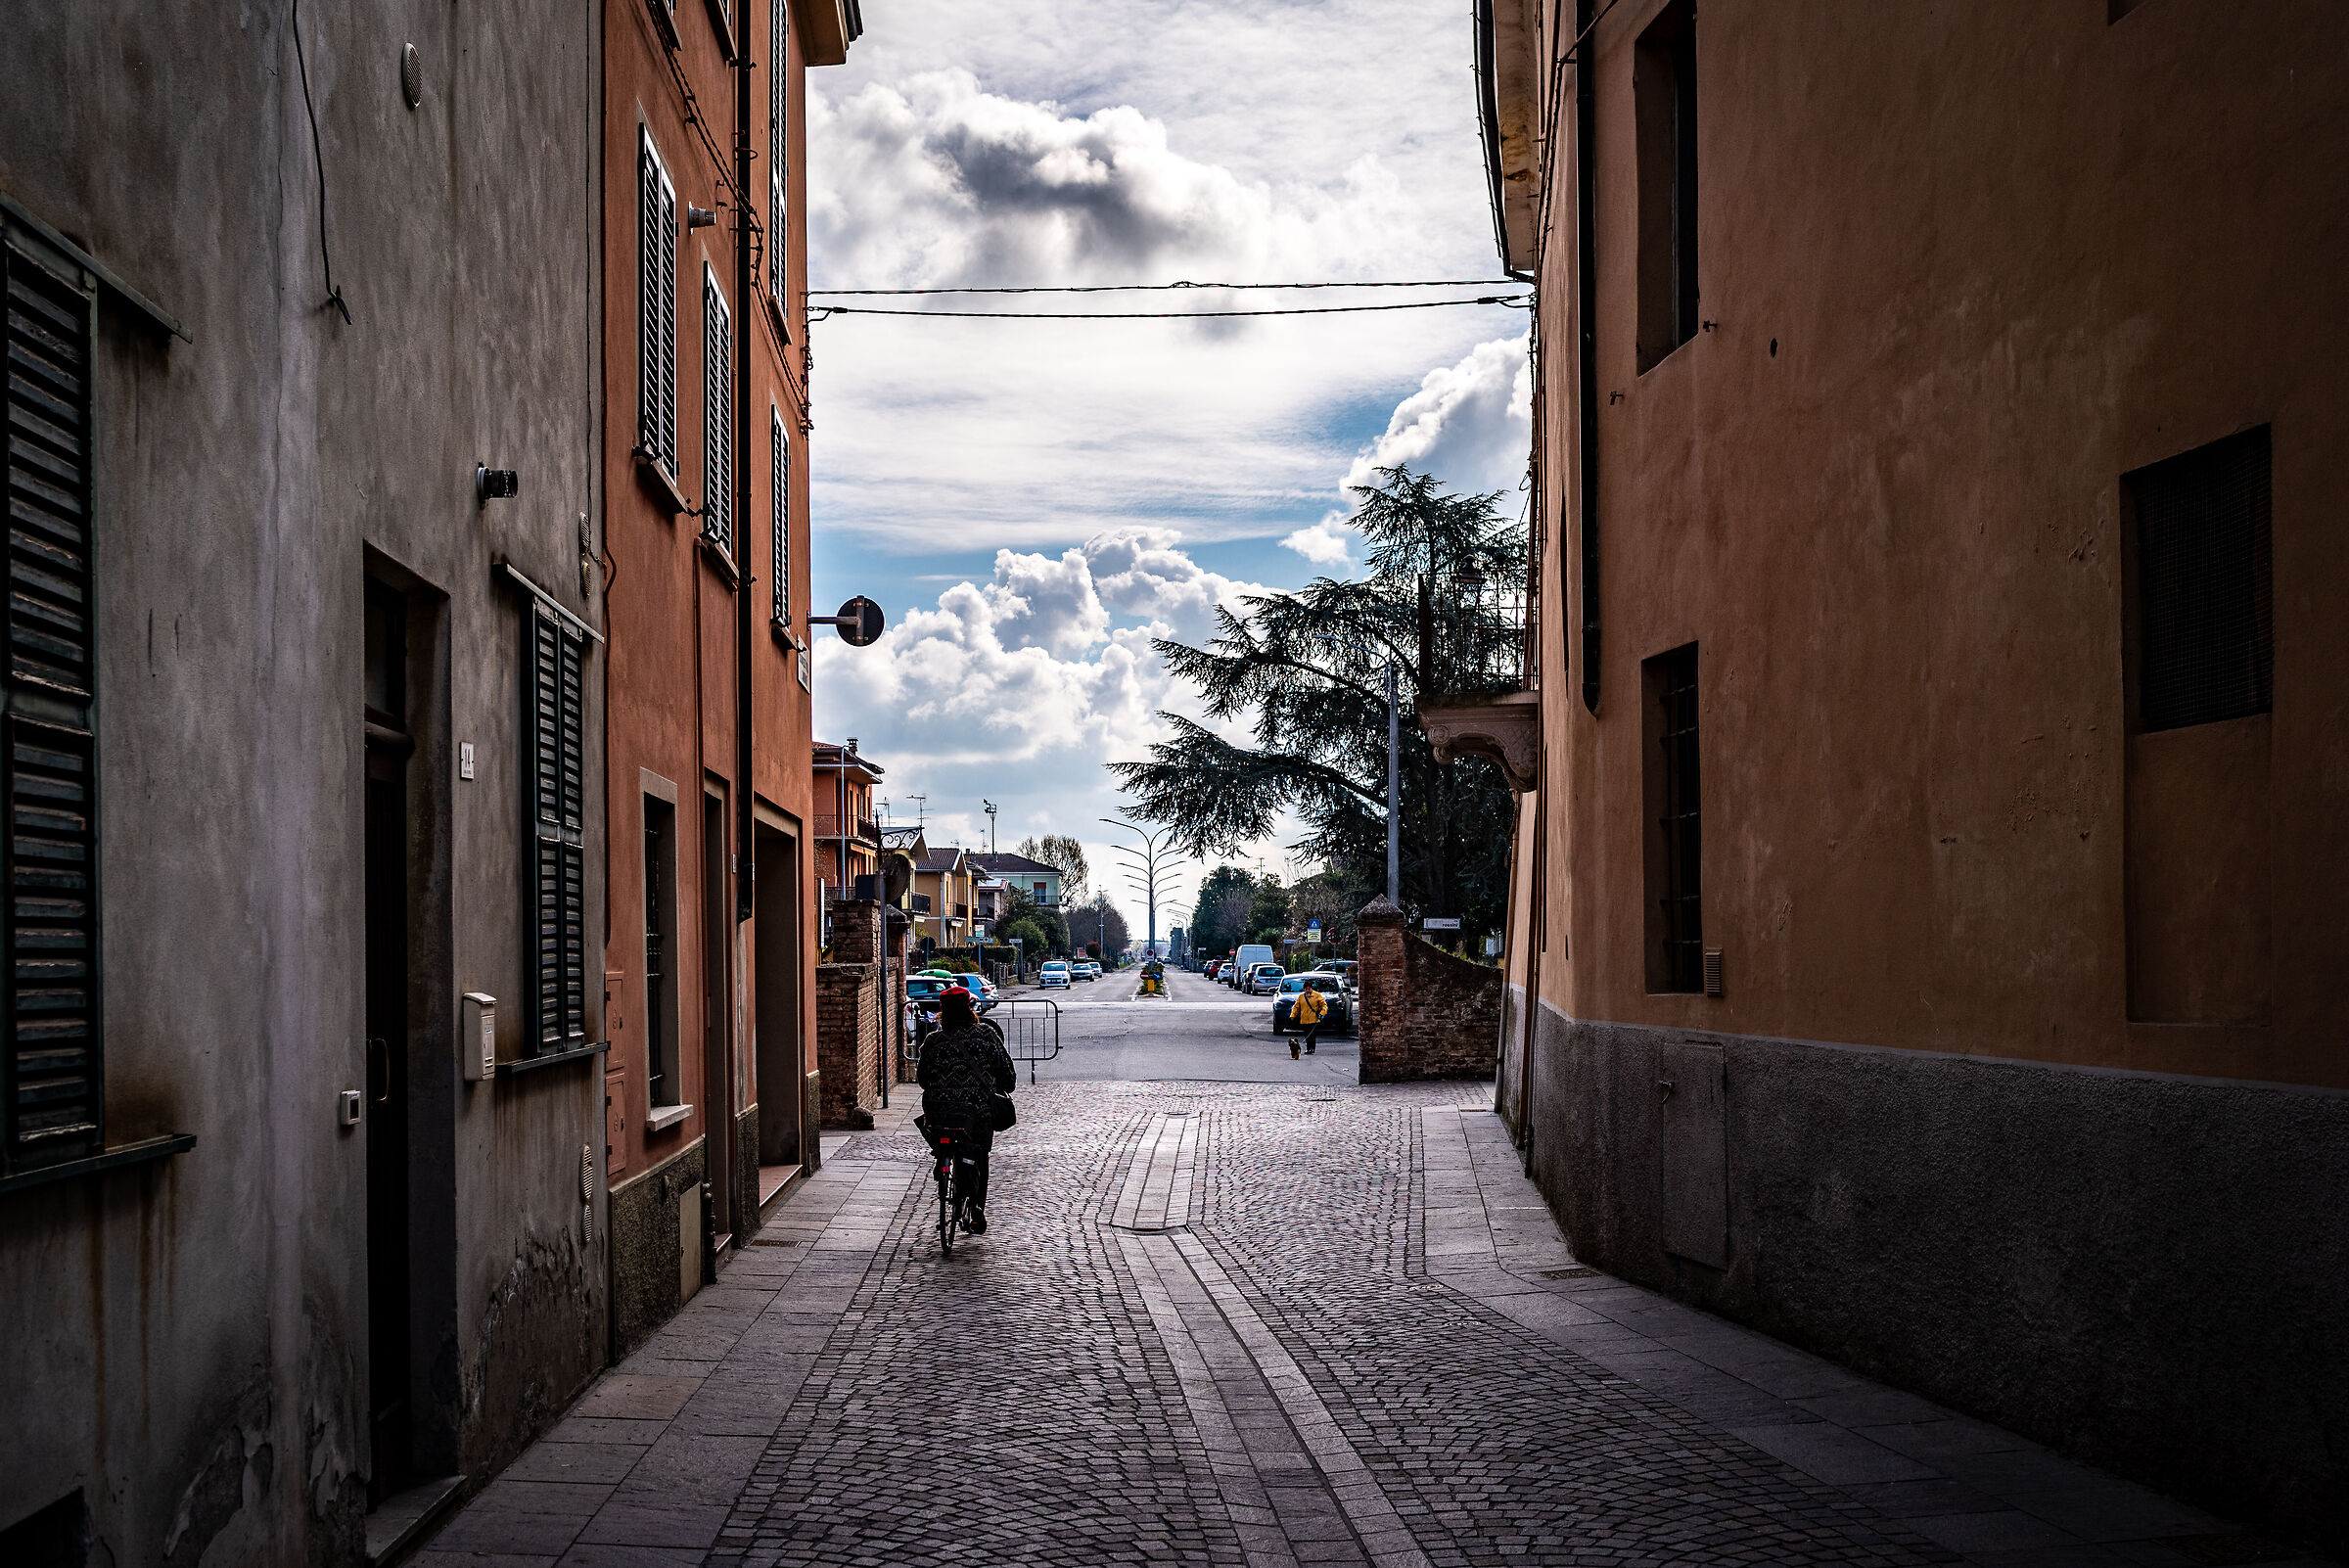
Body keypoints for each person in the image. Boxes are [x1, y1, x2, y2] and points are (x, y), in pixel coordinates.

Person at [914, 986, 1016, 1232]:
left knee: (940, 1135)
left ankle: (943, 1161)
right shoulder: (986, 1035)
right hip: (977, 1111)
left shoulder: (932, 1040)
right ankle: (976, 1208)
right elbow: (1008, 1075)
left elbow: (922, 1079)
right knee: (979, 1154)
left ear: (942, 1013)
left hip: (939, 1112)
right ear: (970, 1009)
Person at [1291, 980, 1328, 1060]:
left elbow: (1324, 1005)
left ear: (1312, 988)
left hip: (1314, 1019)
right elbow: (1296, 1007)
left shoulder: (1317, 995)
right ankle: (1308, 1048)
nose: (1308, 990)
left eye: (1309, 989)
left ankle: (1312, 1048)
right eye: (1306, 989)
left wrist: (1322, 1014)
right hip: (1304, 1019)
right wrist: (1293, 1015)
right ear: (1304, 989)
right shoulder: (1301, 996)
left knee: (1312, 1035)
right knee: (1306, 1034)